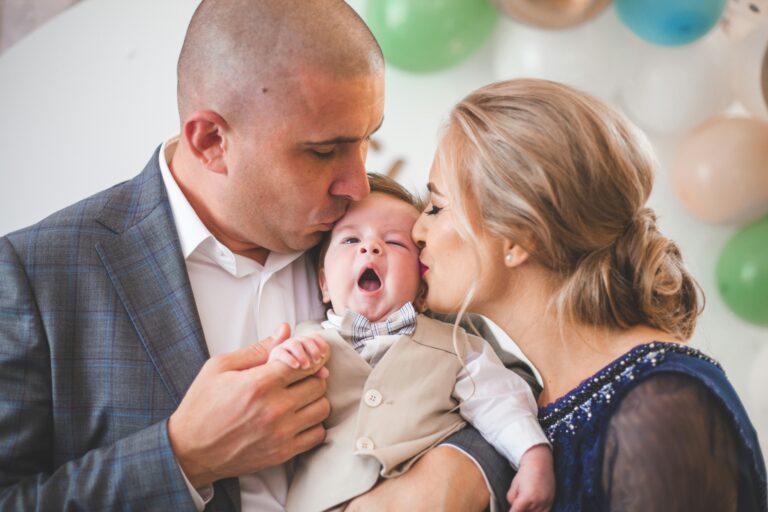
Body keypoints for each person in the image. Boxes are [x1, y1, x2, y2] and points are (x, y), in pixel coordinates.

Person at [0, 1, 525, 510]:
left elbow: (510, 385)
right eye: (323, 151)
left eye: (367, 140)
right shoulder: (36, 275)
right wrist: (182, 458)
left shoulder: (374, 234)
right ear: (210, 141)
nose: (357, 182)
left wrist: (460, 468)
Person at [412, 78, 768, 511]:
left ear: (518, 236)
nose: (417, 231)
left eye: (436, 207)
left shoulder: (661, 409)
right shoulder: (523, 406)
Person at [268, 174, 554, 512]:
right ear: (324, 284)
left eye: (394, 242)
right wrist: (284, 364)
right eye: (349, 240)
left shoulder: (457, 344)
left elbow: (500, 399)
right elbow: (272, 409)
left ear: (422, 290)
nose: (370, 247)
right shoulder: (305, 342)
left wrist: (532, 455)